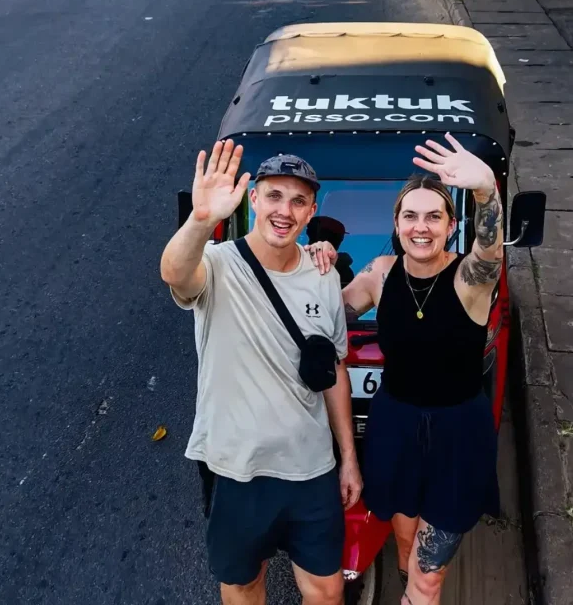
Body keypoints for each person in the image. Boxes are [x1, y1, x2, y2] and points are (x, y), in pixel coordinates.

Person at [160, 140, 363, 605]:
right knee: (243, 585)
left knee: (327, 590)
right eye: (273, 195)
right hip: (238, 469)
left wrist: (348, 457)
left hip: (311, 467)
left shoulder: (323, 274)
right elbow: (174, 273)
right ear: (253, 199)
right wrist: (200, 220)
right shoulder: (216, 264)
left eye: (298, 201)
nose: (284, 211)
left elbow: (333, 369)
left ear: (311, 212)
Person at [306, 133, 503, 605]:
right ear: (396, 224)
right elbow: (322, 317)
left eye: (434, 216)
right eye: (410, 216)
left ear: (451, 226)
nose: (421, 227)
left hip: (457, 435)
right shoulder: (380, 273)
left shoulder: (470, 278)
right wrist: (313, 263)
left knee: (427, 576)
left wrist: (486, 190)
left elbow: (490, 249)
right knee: (405, 547)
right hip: (395, 427)